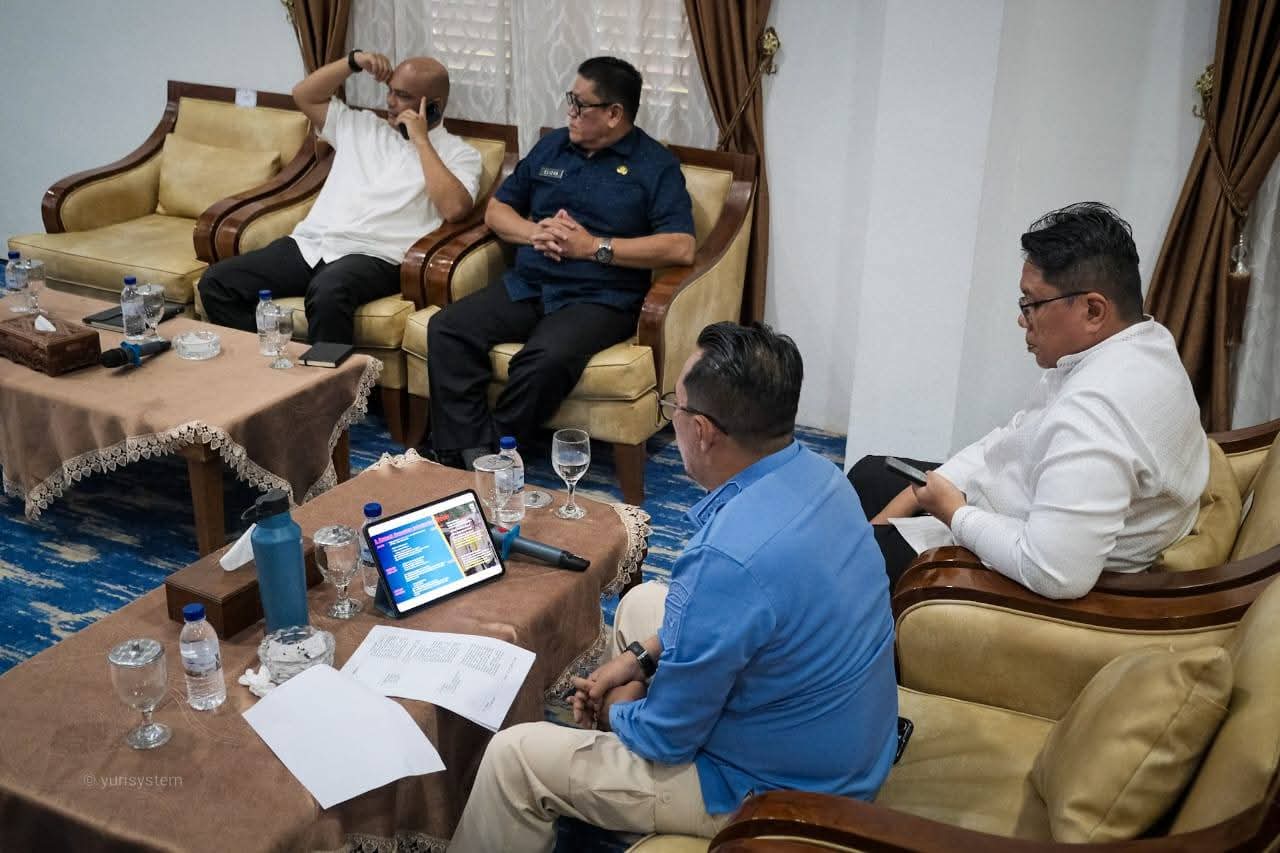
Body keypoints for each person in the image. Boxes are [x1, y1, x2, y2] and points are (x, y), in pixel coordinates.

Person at [448, 322, 899, 853]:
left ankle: (603, 791)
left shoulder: (726, 558)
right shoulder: (824, 477)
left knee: (514, 758)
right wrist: (638, 659)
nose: (674, 419)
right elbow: (738, 618)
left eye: (675, 408)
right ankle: (605, 794)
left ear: (702, 430)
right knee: (641, 603)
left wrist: (616, 708)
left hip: (781, 796)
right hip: (845, 747)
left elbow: (664, 738)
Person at [849, 202, 1208, 599]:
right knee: (869, 475)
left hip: (1015, 562)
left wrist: (952, 512)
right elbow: (1011, 436)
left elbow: (1054, 573)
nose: (1023, 319)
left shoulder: (1099, 410)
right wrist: (919, 495)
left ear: (1093, 310)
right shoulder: (1143, 342)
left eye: (1032, 303)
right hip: (1009, 503)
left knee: (841, 563)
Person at [426, 56, 695, 469]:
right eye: (570, 99)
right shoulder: (553, 146)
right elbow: (497, 210)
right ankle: (468, 450)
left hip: (600, 297)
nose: (569, 111)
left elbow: (680, 246)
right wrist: (533, 232)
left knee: (545, 360)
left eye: (579, 104)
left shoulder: (655, 166)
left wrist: (592, 247)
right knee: (448, 328)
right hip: (530, 283)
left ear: (614, 114)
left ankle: (495, 452)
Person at [198, 50, 482, 345]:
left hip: (376, 255)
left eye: (402, 95)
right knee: (217, 283)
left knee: (328, 292)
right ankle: (274, 357)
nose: (390, 101)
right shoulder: (361, 126)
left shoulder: (459, 154)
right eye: (390, 91)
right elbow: (304, 95)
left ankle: (326, 375)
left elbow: (455, 208)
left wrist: (421, 141)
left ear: (433, 106)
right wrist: (353, 62)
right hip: (312, 245)